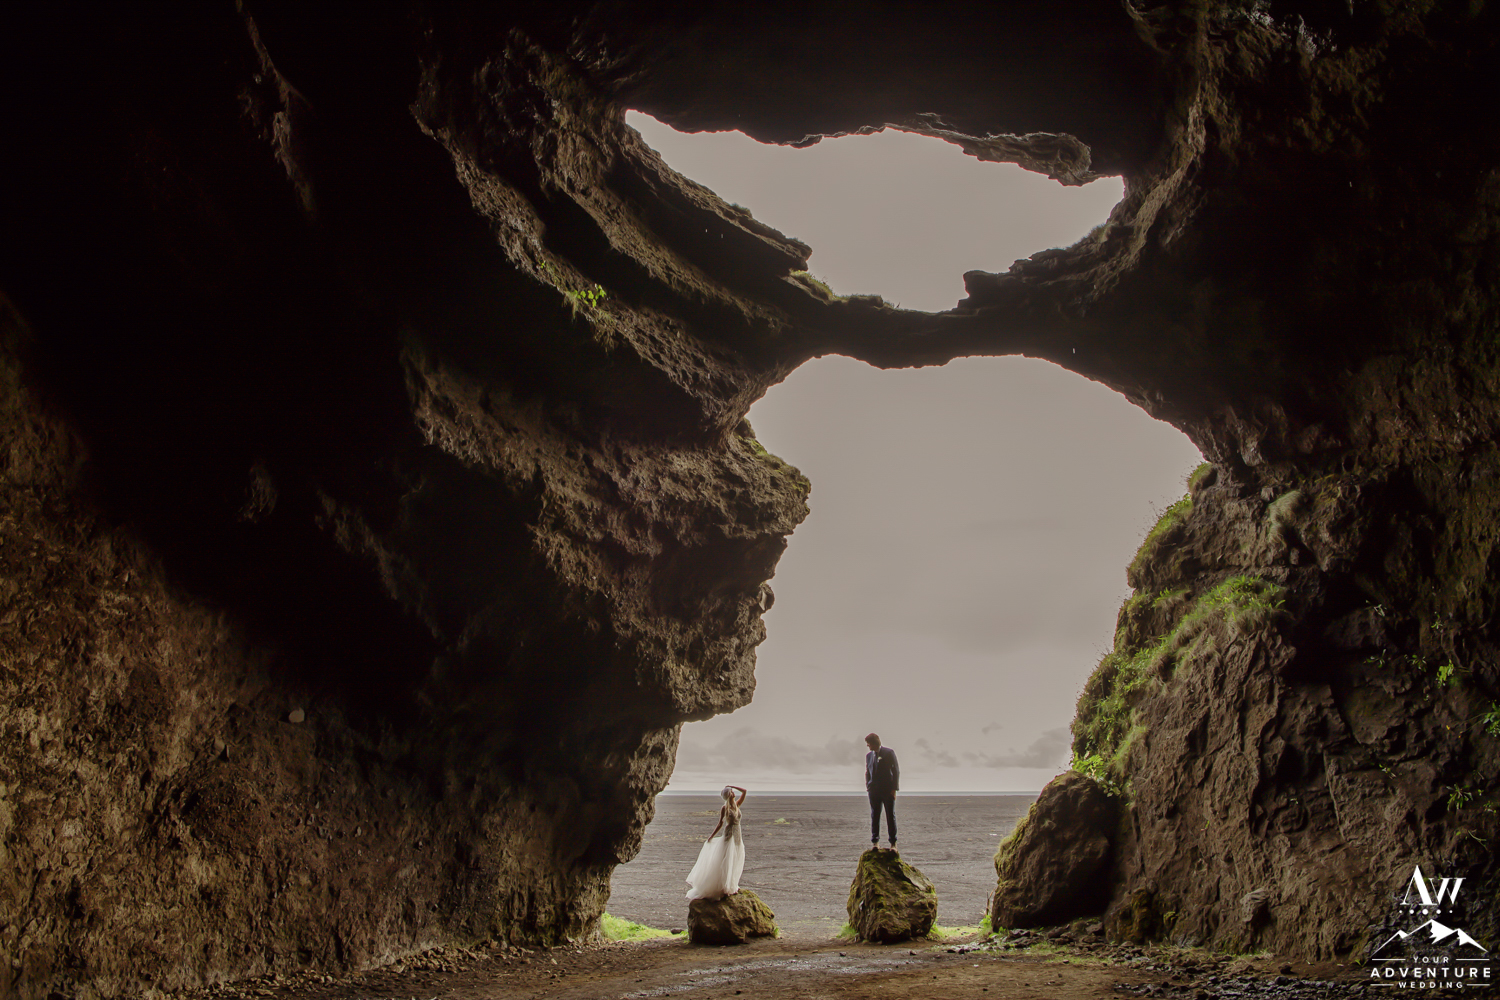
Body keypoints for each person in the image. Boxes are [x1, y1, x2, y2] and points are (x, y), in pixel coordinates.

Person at [685, 784, 748, 899]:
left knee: (736, 858)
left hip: (738, 834)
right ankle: (725, 886)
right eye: (732, 792)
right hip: (729, 834)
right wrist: (711, 836)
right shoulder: (725, 808)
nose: (734, 793)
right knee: (727, 860)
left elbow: (744, 791)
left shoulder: (737, 804)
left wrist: (732, 786)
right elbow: (720, 823)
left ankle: (732, 884)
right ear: (729, 795)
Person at [864, 733, 899, 851]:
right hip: (874, 791)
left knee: (890, 816)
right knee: (875, 815)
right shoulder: (869, 756)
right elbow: (867, 772)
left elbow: (896, 771)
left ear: (874, 743)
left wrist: (894, 789)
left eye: (869, 743)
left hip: (887, 790)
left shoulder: (888, 753)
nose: (868, 746)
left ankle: (893, 844)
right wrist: (868, 786)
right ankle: (875, 842)